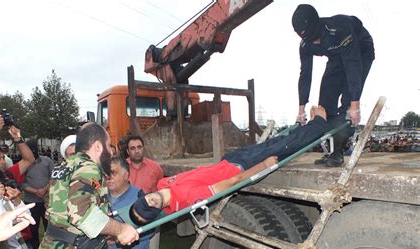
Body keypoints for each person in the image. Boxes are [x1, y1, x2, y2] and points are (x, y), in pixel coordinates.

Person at [130, 107, 328, 223]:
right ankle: (319, 124)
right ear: (156, 212)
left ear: (144, 196)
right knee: (284, 147)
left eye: (145, 203)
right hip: (241, 167)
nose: (151, 203)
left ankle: (311, 125)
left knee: (274, 143)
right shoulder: (189, 199)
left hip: (228, 159)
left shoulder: (162, 185)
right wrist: (263, 166)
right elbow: (234, 182)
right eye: (150, 209)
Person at [292, 4, 375, 167]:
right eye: (311, 40)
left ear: (318, 26)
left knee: (347, 103)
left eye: (316, 38)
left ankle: (338, 153)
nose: (315, 42)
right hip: (336, 57)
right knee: (325, 102)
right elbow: (305, 75)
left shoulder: (340, 28)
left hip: (360, 51)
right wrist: (301, 110)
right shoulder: (305, 45)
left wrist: (355, 105)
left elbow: (353, 64)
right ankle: (333, 150)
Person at [126, 135, 164, 249]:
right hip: (127, 216)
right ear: (128, 151)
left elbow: (161, 189)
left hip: (150, 217)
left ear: (143, 148)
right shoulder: (121, 167)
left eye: (139, 147)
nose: (136, 151)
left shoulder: (155, 168)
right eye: (132, 148)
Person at [21, 139, 54, 249]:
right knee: (33, 230)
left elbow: (53, 177)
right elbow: (21, 184)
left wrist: (45, 189)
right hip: (30, 202)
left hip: (46, 201)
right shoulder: (23, 165)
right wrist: (35, 191)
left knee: (49, 228)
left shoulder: (47, 161)